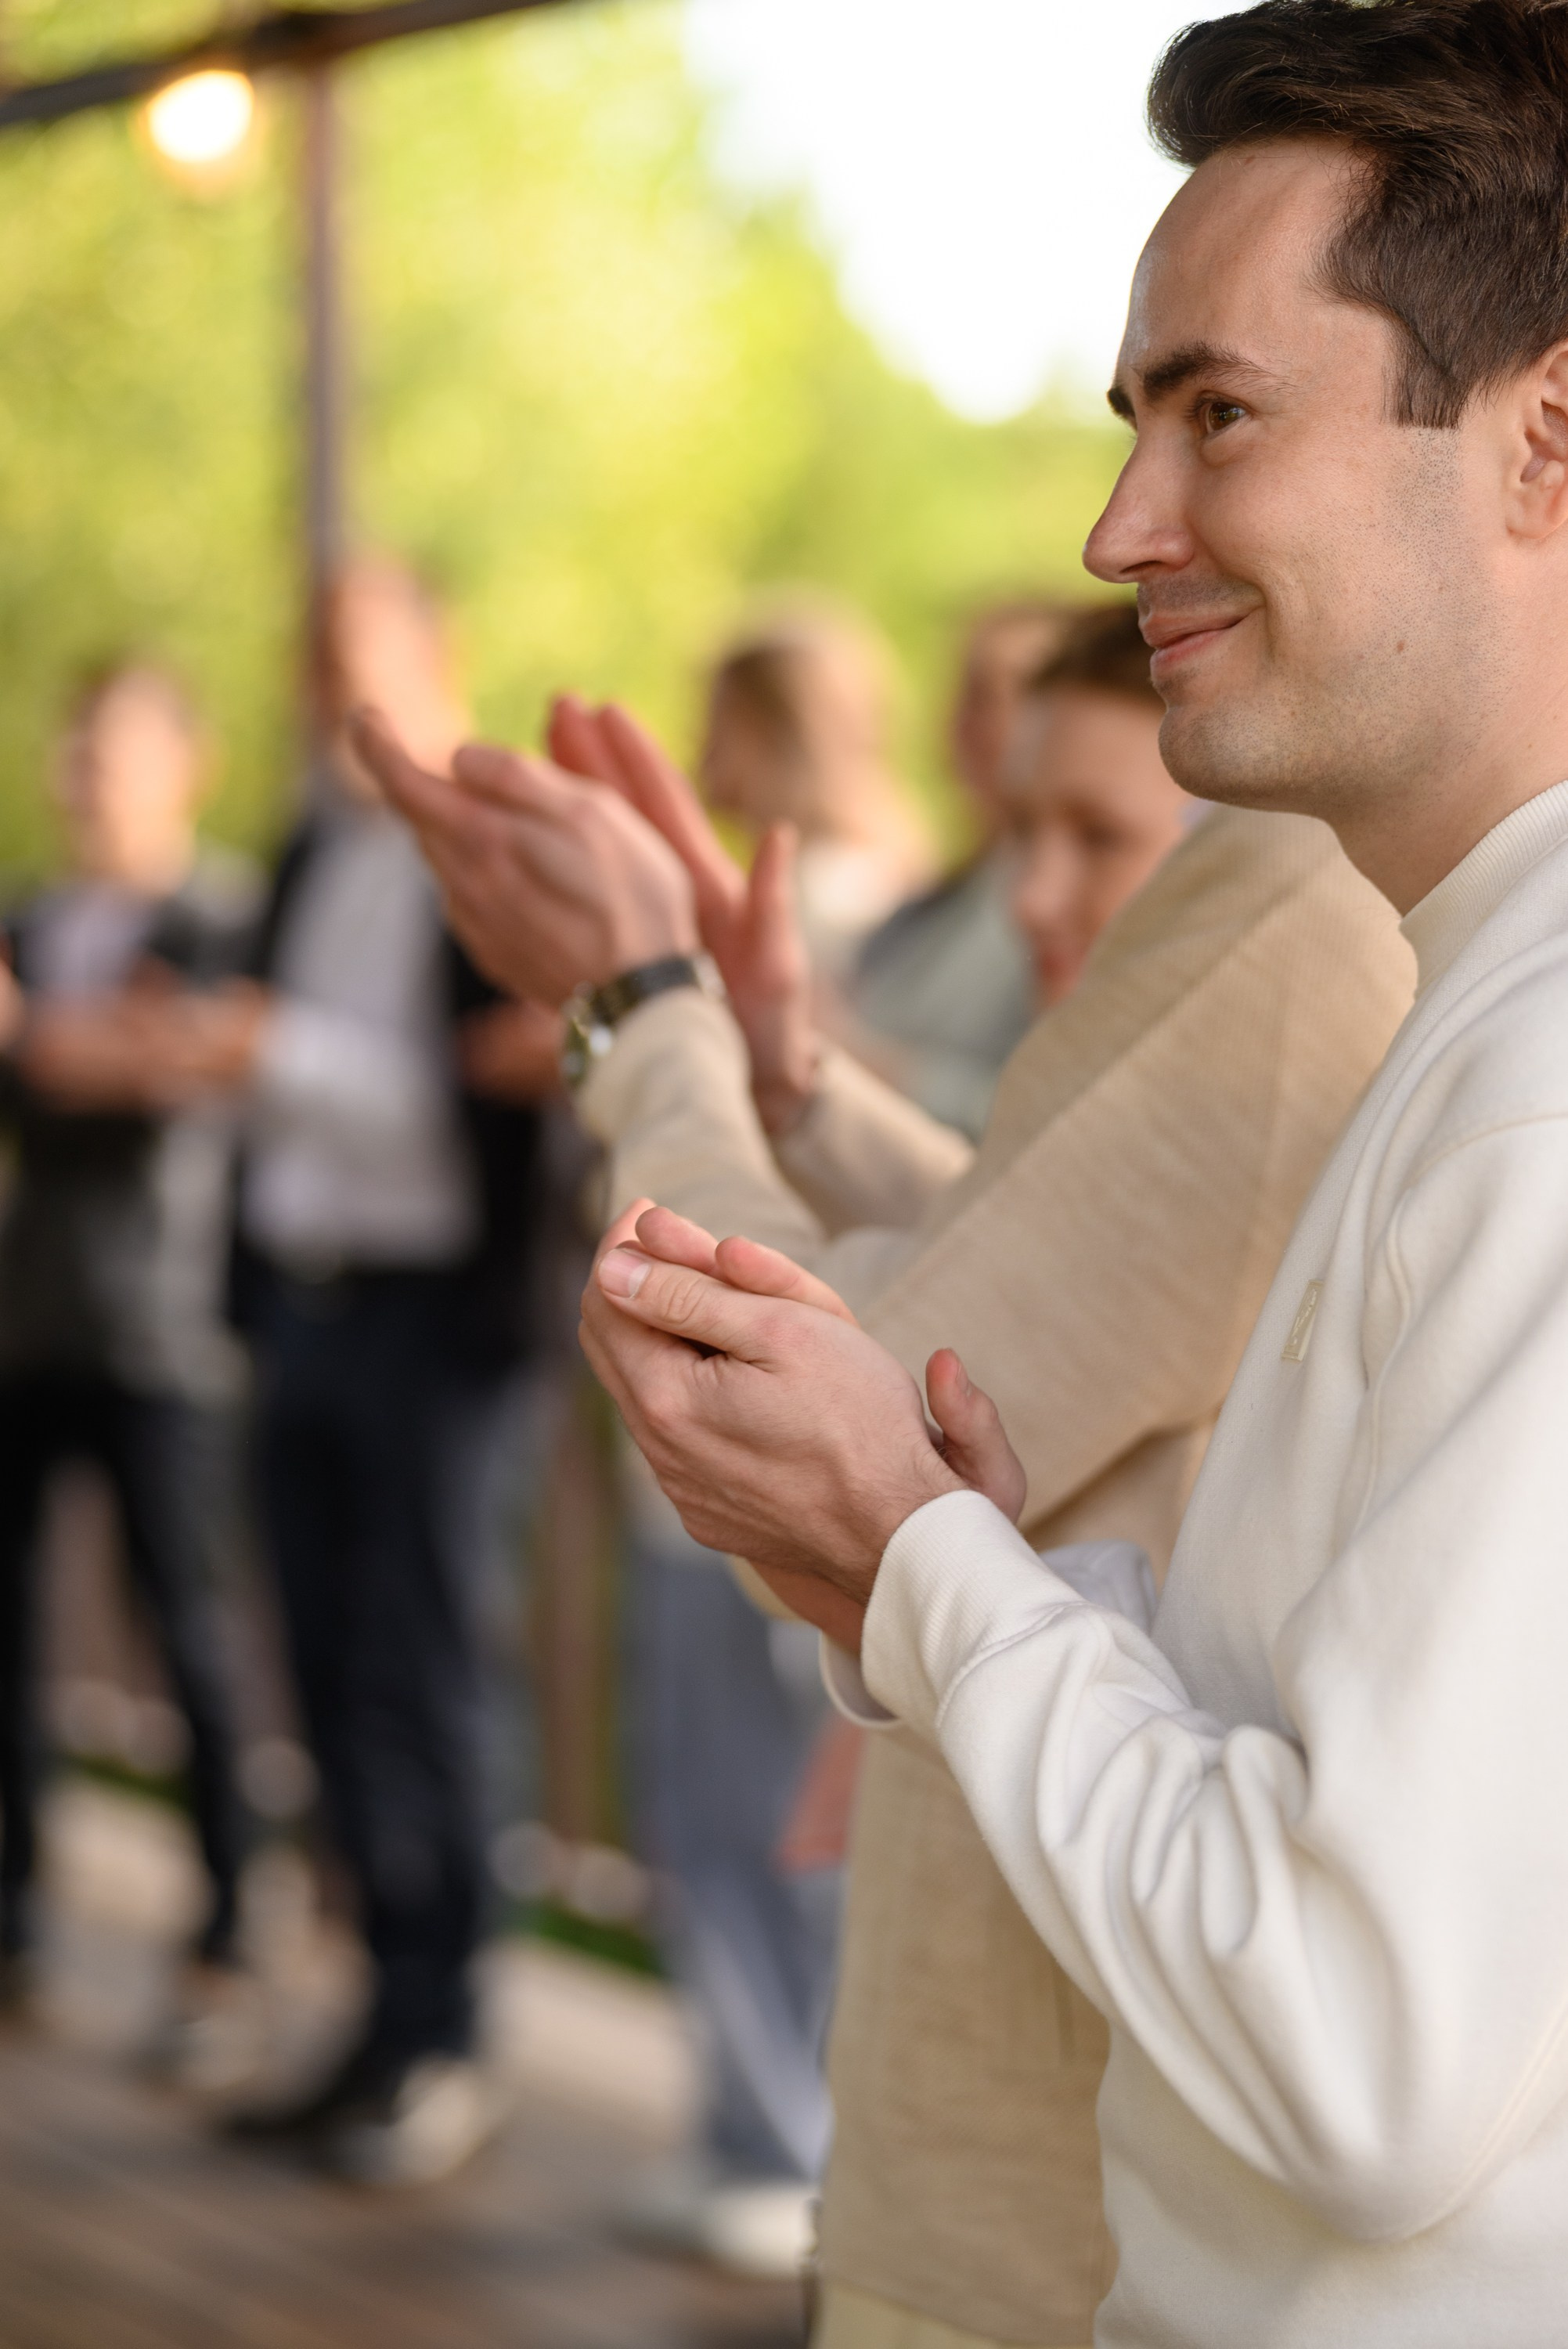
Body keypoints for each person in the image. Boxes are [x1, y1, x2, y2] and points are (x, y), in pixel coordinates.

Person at [564, 5, 1568, 2340]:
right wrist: (997, 1575)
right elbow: (1346, 1795)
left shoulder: (1534, 1087)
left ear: (1544, 440)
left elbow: (1356, 2047)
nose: (1120, 535)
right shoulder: (1472, 1016)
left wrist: (926, 1569)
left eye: (1216, 411)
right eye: (1135, 423)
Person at [350, 587, 1411, 2344]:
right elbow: (1049, 1255)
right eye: (1021, 829)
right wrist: (776, 1079)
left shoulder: (1296, 897)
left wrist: (639, 1016)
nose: (1122, 518)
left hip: (1049, 2210)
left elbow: (823, 1400)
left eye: (1208, 413)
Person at [214, 561, 560, 2185]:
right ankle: (372, 2021)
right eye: (316, 661)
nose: (333, 695)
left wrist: (258, 1051)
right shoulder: (307, 851)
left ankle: (448, 2035)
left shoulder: (488, 847)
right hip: (303, 1307)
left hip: (437, 1324)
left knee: (429, 1677)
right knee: (331, 1675)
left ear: (439, 659)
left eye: (362, 660)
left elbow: (467, 1090)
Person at [0, 663, 258, 2051]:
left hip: (167, 1329)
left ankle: (225, 1939)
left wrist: (41, 1036)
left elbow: (157, 1069)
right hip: (29, 1320)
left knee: (190, 1642)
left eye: (117, 749)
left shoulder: (215, 911)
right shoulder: (34, 914)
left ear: (184, 762)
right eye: (77, 747)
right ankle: (17, 1922)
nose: (91, 773)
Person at [847, 601, 1069, 1138]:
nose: (975, 721)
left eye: (1012, 693)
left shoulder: (1070, 905)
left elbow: (1057, 1108)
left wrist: (873, 1068)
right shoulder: (939, 897)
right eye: (969, 693)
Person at [700, 610, 934, 987]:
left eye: (718, 726)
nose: (700, 751)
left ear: (770, 733)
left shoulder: (827, 893)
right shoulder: (850, 874)